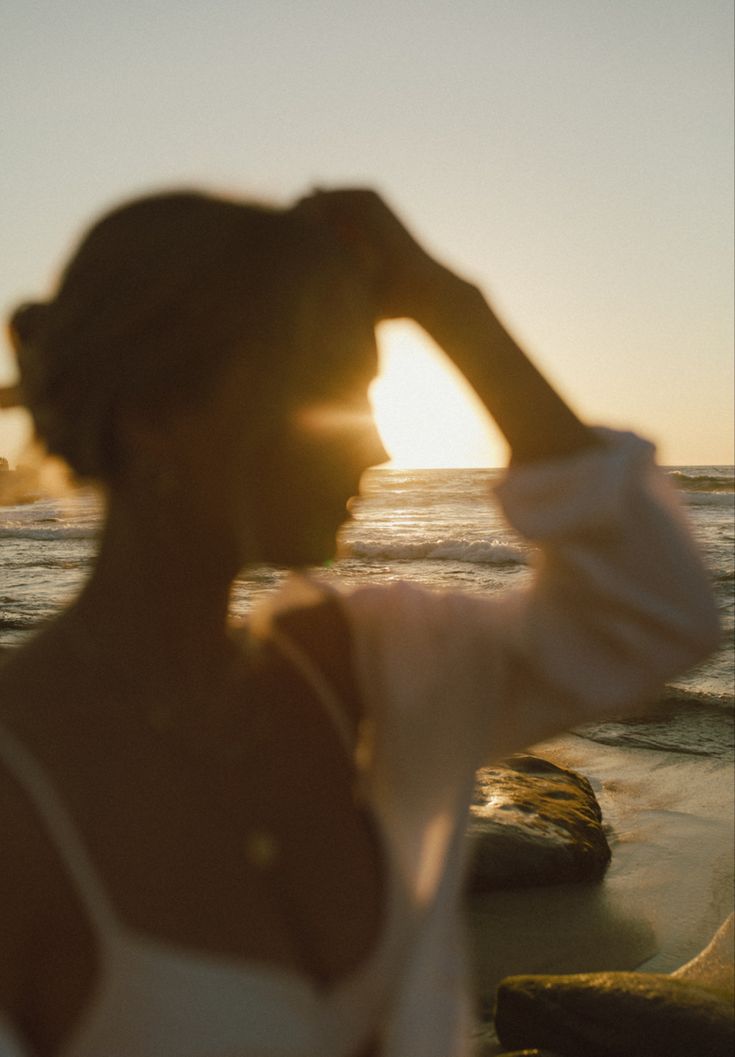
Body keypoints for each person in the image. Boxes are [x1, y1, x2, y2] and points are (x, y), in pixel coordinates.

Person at [0, 188, 719, 1057]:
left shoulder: (359, 668)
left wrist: (447, 300)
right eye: (329, 390)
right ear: (157, 416)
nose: (377, 444)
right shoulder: (21, 783)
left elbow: (648, 610)